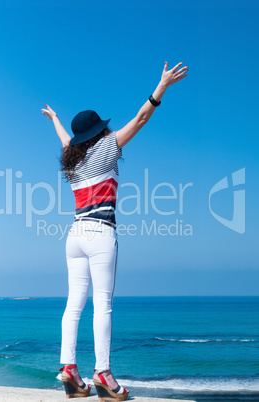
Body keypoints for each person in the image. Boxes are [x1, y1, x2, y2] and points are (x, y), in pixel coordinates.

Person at [41, 60, 188, 400]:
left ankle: (69, 370)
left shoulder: (72, 158)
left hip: (74, 236)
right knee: (102, 305)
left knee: (74, 304)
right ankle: (103, 375)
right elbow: (140, 119)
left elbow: (66, 140)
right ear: (99, 131)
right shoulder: (106, 149)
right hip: (100, 234)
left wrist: (56, 121)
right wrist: (161, 86)